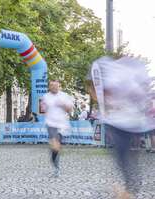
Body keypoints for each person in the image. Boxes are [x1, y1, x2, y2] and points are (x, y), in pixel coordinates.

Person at [87, 56, 155, 199]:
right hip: (122, 124)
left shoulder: (119, 76)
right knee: (127, 164)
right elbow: (96, 89)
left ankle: (125, 191)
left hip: (128, 124)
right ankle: (126, 190)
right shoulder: (120, 74)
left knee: (127, 163)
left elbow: (97, 90)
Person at [40, 80, 74, 176]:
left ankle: (55, 162)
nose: (54, 87)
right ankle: (56, 167)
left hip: (62, 125)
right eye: (52, 86)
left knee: (56, 147)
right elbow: (42, 109)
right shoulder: (46, 97)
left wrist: (63, 105)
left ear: (59, 86)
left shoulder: (64, 96)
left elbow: (70, 109)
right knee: (55, 145)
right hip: (51, 124)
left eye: (56, 86)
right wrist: (43, 107)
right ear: (49, 87)